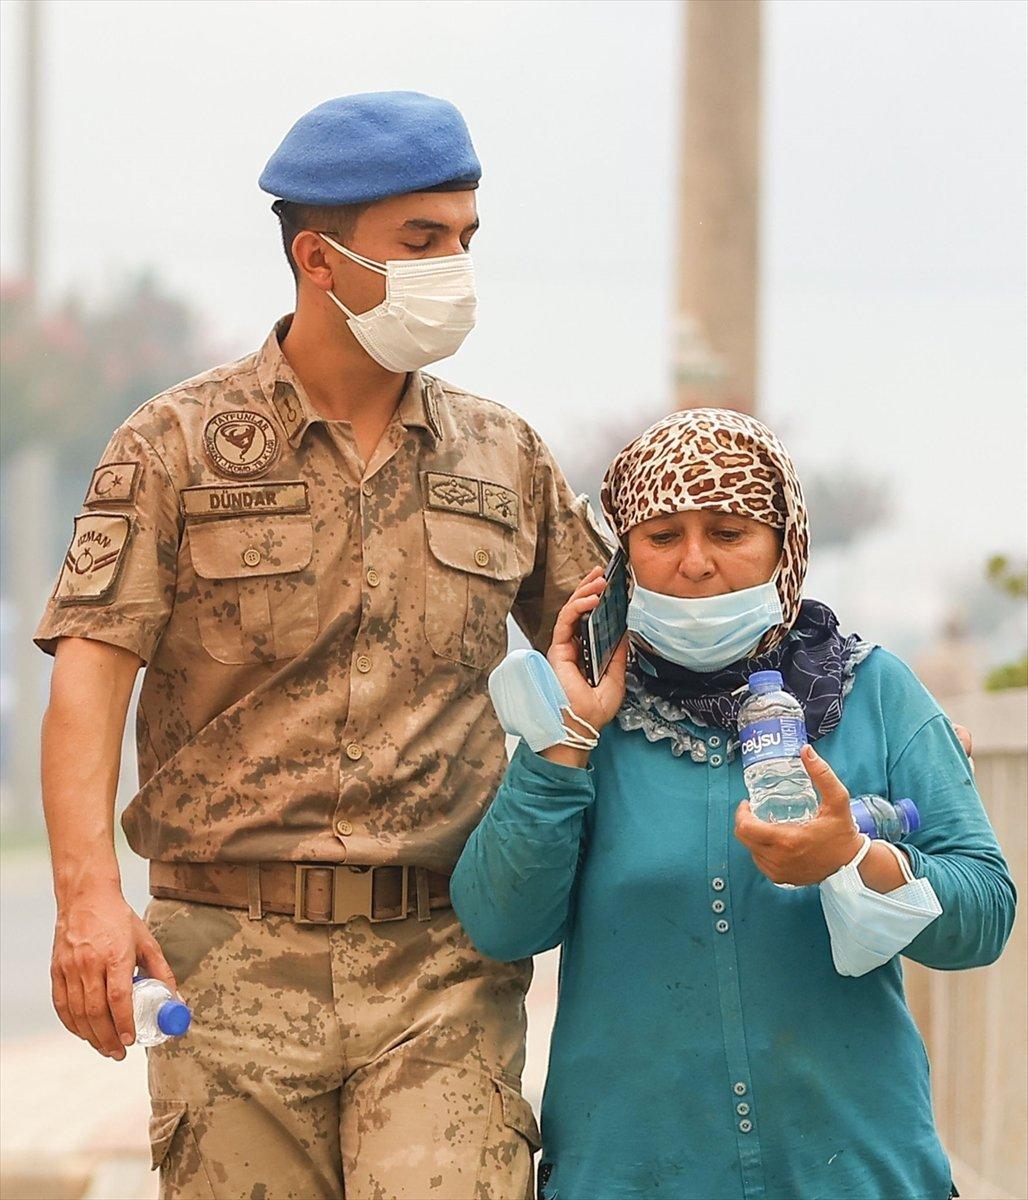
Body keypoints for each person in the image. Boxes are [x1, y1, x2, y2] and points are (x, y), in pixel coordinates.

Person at [35, 91, 609, 1200]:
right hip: (226, 964)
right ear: (319, 256)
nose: (455, 265)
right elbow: (90, 678)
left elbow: (614, 662)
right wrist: (86, 901)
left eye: (465, 238)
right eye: (423, 240)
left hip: (442, 963)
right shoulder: (175, 445)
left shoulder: (504, 456)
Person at [451, 407, 1014, 1200]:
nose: (695, 563)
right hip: (630, 1177)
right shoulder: (585, 714)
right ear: (622, 559)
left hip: (856, 1173)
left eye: (728, 531)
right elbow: (501, 923)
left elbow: (985, 912)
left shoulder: (875, 692)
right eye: (661, 535)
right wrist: (564, 743)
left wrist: (858, 859)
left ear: (785, 547)